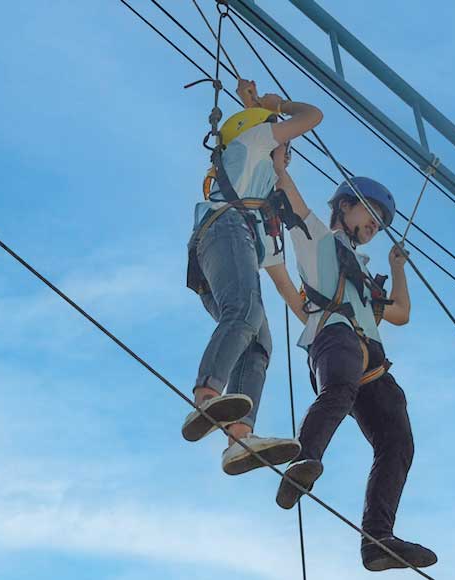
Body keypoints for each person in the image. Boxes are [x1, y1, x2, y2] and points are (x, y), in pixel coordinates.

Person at [268, 148, 438, 572]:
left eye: (379, 225)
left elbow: (400, 313)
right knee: (339, 389)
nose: (374, 227)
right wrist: (278, 164)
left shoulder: (364, 279)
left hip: (371, 361)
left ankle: (377, 540)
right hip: (335, 339)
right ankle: (302, 461)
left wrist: (397, 267)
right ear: (344, 205)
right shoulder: (319, 244)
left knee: (398, 441)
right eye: (370, 216)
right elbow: (291, 198)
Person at [182, 78, 321, 477]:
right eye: (286, 146)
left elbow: (282, 284)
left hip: (222, 255)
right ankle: (208, 394)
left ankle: (239, 438)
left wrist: (319, 328)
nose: (288, 154)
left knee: (259, 340)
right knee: (243, 311)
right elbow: (313, 116)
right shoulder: (253, 142)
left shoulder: (264, 218)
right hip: (224, 232)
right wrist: (276, 103)